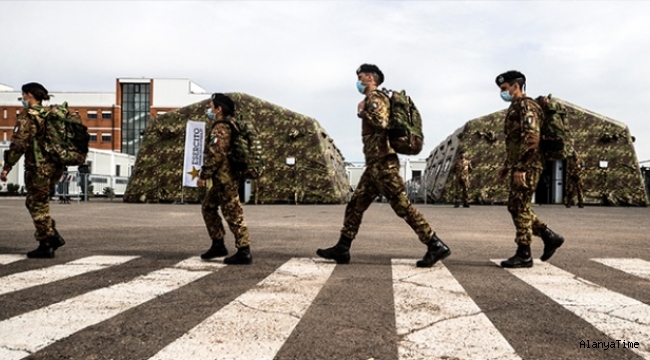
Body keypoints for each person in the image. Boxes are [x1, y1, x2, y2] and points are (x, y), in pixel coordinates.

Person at [316, 64, 451, 268]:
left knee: (402, 207)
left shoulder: (375, 98)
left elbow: (381, 122)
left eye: (361, 77)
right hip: (374, 166)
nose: (358, 81)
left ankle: (434, 244)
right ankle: (342, 248)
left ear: (371, 78)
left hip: (384, 164)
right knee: (355, 206)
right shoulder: (373, 98)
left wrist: (363, 113)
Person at [495, 71, 565, 268]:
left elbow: (531, 138)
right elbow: (515, 142)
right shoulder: (515, 107)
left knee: (521, 205)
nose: (502, 93)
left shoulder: (527, 106)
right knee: (515, 205)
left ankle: (524, 253)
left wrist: (522, 168)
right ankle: (549, 236)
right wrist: (507, 166)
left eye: (504, 89)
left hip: (529, 164)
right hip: (520, 164)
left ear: (515, 86)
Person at [1, 82, 66, 258]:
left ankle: (46, 244)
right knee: (34, 202)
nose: (22, 98)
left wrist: (7, 167)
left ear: (29, 95)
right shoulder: (50, 115)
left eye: (23, 95)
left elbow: (19, 144)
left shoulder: (28, 116)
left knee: (38, 204)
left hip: (38, 168)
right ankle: (52, 236)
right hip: (55, 168)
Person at [197, 93, 252, 265]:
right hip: (225, 177)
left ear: (219, 109)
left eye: (211, 106)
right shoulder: (232, 124)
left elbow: (216, 153)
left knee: (233, 212)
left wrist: (203, 175)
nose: (209, 110)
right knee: (208, 206)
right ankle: (218, 244)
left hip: (225, 177)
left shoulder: (221, 127)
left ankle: (244, 251)